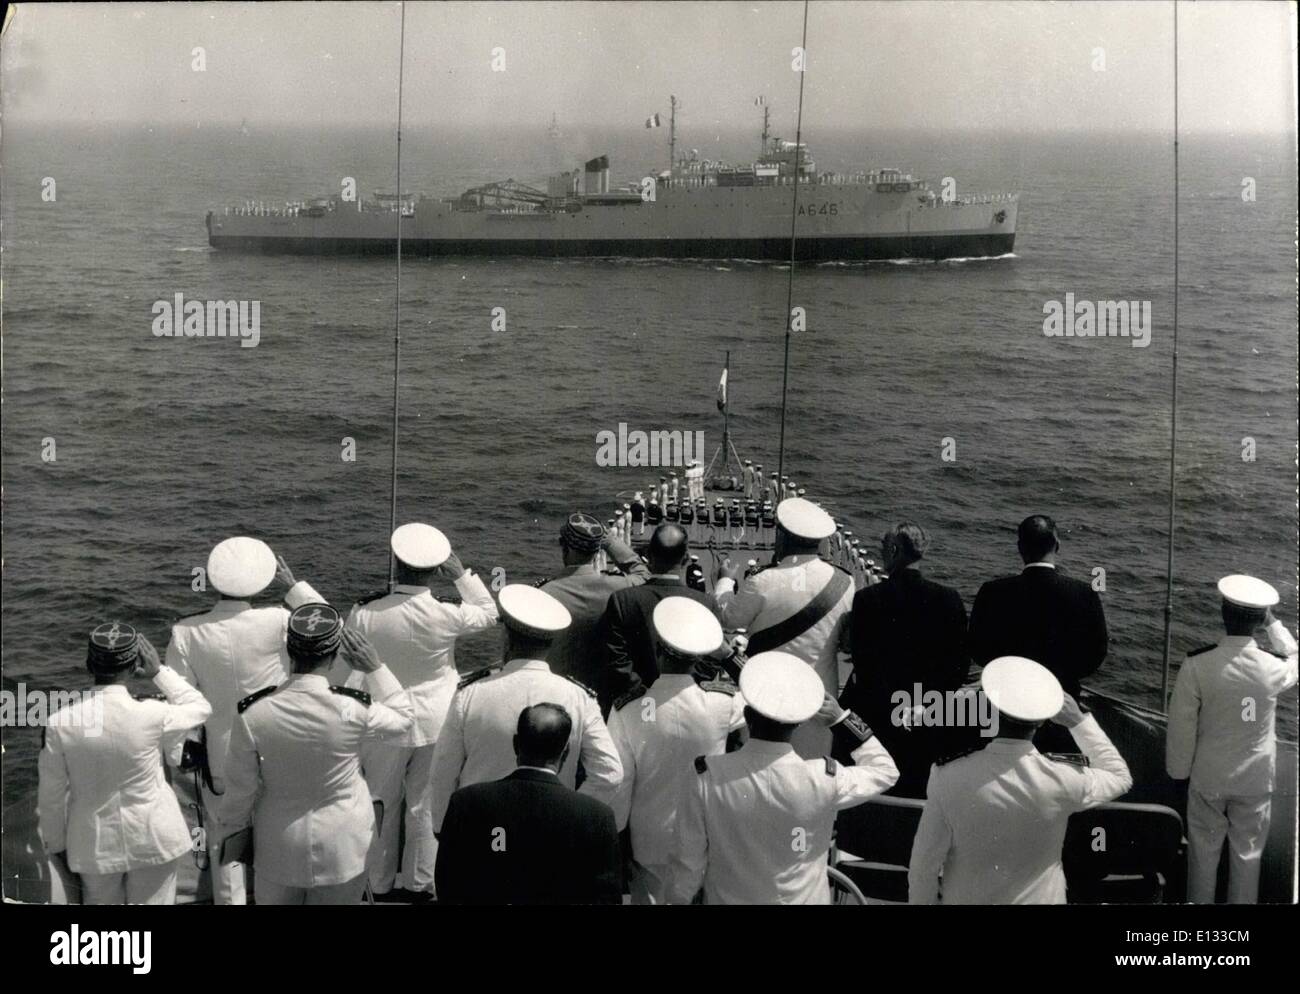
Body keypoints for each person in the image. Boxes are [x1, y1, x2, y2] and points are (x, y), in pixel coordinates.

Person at [342, 522, 498, 901]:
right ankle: (420, 885)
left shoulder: (365, 611)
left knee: (381, 802)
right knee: (424, 806)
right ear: (435, 569)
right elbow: (490, 613)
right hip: (434, 719)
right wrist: (461, 575)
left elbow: (349, 657)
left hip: (383, 717)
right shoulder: (446, 613)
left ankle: (377, 886)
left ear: (396, 564)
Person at [219, 604, 415, 906]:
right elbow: (404, 719)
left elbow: (239, 793)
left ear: (288, 651)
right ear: (334, 655)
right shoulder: (354, 708)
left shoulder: (253, 713)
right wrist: (374, 667)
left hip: (277, 849)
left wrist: (234, 837)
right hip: (344, 848)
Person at [668, 650, 898, 904]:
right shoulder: (824, 777)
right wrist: (840, 719)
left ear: (746, 717)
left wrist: (680, 898)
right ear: (798, 723)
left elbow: (687, 863)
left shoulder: (707, 776)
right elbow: (886, 771)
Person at [165, 536, 323, 904]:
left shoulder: (186, 632)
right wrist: (293, 587)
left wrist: (179, 752)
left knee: (226, 840)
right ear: (262, 581)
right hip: (278, 747)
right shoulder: (280, 620)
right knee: (280, 834)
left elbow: (178, 700)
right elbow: (328, 625)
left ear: (214, 580)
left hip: (220, 754)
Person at [908, 656, 1132, 904]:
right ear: (1044, 718)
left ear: (989, 710)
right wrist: (1077, 721)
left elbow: (923, 868)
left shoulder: (947, 776)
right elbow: (1119, 776)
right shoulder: (1064, 779)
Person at [429, 584, 623, 837]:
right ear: (551, 643)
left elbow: (443, 771)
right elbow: (610, 773)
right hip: (548, 832)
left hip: (481, 829)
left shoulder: (470, 694)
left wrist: (443, 827)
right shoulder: (579, 698)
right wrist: (567, 816)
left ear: (507, 638)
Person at [38, 623, 212, 905]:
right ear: (134, 667)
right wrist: (158, 672)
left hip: (93, 845)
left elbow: (52, 796)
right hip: (155, 837)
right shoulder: (154, 714)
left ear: (88, 665)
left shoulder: (61, 724)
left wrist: (56, 845)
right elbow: (200, 707)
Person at [1166, 575, 1298, 904]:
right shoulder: (1272, 668)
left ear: (1223, 612)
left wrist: (1178, 774)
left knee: (1202, 857)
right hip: (1254, 779)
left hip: (1209, 777)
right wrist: (1272, 623)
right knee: (1247, 858)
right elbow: (1294, 654)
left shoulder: (1197, 665)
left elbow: (1181, 727)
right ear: (1258, 619)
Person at [608, 597, 746, 904]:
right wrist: (727, 656)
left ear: (657, 650)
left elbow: (619, 784)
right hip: (709, 836)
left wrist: (617, 843)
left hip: (650, 841)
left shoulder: (628, 710)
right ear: (698, 658)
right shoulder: (722, 703)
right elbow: (760, 691)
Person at [435, 703, 622, 905]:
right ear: (565, 752)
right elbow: (606, 897)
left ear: (516, 744)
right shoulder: (597, 816)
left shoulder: (466, 803)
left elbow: (448, 884)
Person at [714, 497, 854, 758]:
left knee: (756, 764)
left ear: (782, 537)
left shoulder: (763, 580)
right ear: (820, 542)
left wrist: (724, 582)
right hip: (817, 697)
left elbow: (728, 619)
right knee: (811, 767)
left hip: (766, 693)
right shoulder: (845, 583)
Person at [841, 521, 970, 796]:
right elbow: (958, 667)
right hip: (926, 715)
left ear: (896, 549)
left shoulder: (867, 598)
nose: (882, 553)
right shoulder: (949, 599)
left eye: (884, 548)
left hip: (876, 713)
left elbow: (863, 663)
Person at [967, 515, 1108, 751]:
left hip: (1002, 709)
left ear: (1020, 548)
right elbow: (1095, 654)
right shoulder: (1084, 593)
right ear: (1057, 545)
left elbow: (978, 650)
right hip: (1060, 706)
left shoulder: (993, 592)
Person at [538, 512, 650, 712]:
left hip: (557, 702)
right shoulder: (619, 588)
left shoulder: (544, 594)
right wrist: (609, 541)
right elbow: (643, 575)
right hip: (606, 700)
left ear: (563, 545)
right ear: (597, 552)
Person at [603, 523, 720, 702]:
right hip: (688, 700)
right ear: (686, 559)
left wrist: (644, 695)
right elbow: (712, 659)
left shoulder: (622, 600)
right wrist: (685, 691)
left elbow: (616, 659)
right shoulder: (706, 603)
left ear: (648, 555)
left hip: (638, 704)